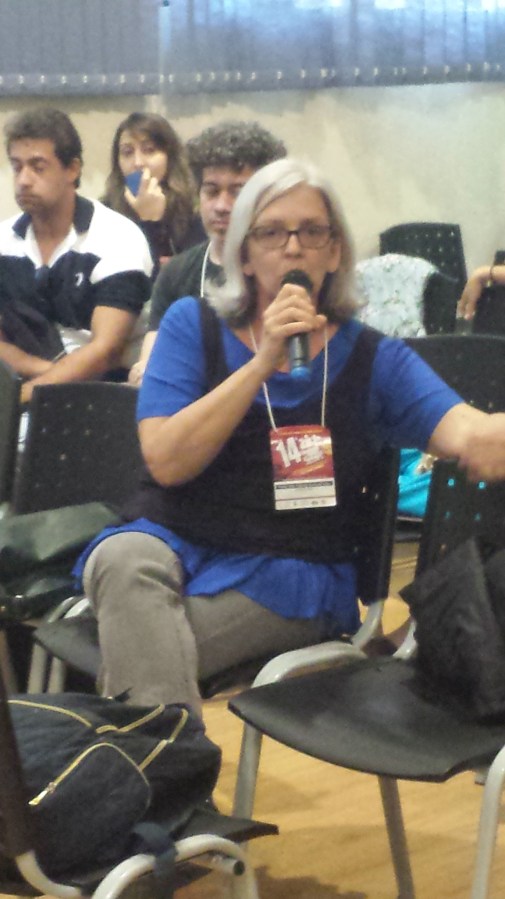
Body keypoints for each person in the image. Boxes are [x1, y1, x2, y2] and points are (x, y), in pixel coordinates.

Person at [78, 158, 505, 718]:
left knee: (139, 650)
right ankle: (166, 761)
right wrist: (262, 363)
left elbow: (472, 434)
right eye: (272, 233)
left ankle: (158, 764)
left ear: (335, 252)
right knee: (121, 557)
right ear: (245, 255)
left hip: (292, 571)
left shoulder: (376, 359)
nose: (294, 247)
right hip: (175, 538)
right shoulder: (191, 326)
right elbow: (166, 462)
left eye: (313, 232)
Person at [0, 107, 153, 404]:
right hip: (23, 388)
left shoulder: (118, 237)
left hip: (105, 398)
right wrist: (46, 373)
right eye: (17, 167)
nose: (23, 180)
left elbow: (105, 352)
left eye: (38, 167)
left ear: (72, 169)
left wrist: (20, 399)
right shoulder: (4, 241)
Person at [128, 120, 287, 386]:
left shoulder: (285, 265)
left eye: (237, 192)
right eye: (211, 192)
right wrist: (145, 373)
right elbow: (151, 362)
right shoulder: (177, 272)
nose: (221, 206)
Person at [102, 112, 204, 275]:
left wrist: (153, 223)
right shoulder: (104, 214)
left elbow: (177, 280)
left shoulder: (192, 212)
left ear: (169, 157)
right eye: (127, 152)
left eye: (149, 150)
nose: (138, 163)